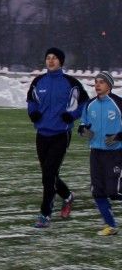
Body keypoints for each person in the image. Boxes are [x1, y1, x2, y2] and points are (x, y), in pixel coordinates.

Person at [26, 47, 89, 228]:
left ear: (61, 61)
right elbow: (31, 101)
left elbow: (85, 103)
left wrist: (73, 115)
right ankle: (68, 196)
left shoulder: (71, 83)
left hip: (61, 135)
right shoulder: (38, 81)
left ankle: (45, 214)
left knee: (48, 175)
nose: (51, 61)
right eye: (48, 58)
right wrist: (33, 114)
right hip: (42, 134)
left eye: (54, 58)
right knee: (49, 174)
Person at [78, 71, 122, 236]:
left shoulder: (118, 103)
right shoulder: (90, 105)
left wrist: (118, 137)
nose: (97, 85)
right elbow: (83, 126)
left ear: (109, 85)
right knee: (97, 191)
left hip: (115, 154)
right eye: (95, 82)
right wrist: (83, 131)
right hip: (95, 154)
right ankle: (111, 226)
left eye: (101, 82)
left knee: (114, 192)